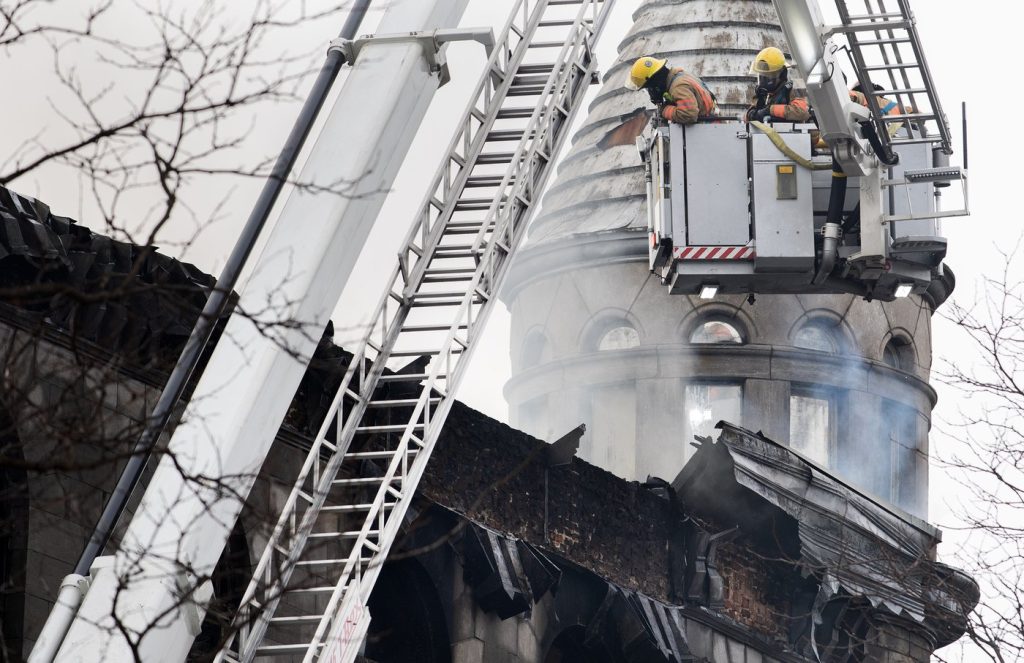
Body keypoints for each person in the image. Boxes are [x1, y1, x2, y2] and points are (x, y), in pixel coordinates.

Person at [625, 56, 716, 125]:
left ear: (655, 82)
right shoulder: (679, 76)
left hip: (709, 133)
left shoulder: (679, 86)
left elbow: (688, 115)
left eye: (648, 87)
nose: (650, 92)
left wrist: (665, 110)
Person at [745, 47, 811, 123]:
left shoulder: (793, 89)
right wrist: (750, 114)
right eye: (761, 75)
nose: (763, 80)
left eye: (769, 75)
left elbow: (802, 112)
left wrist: (770, 110)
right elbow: (748, 116)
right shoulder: (763, 93)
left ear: (782, 74)